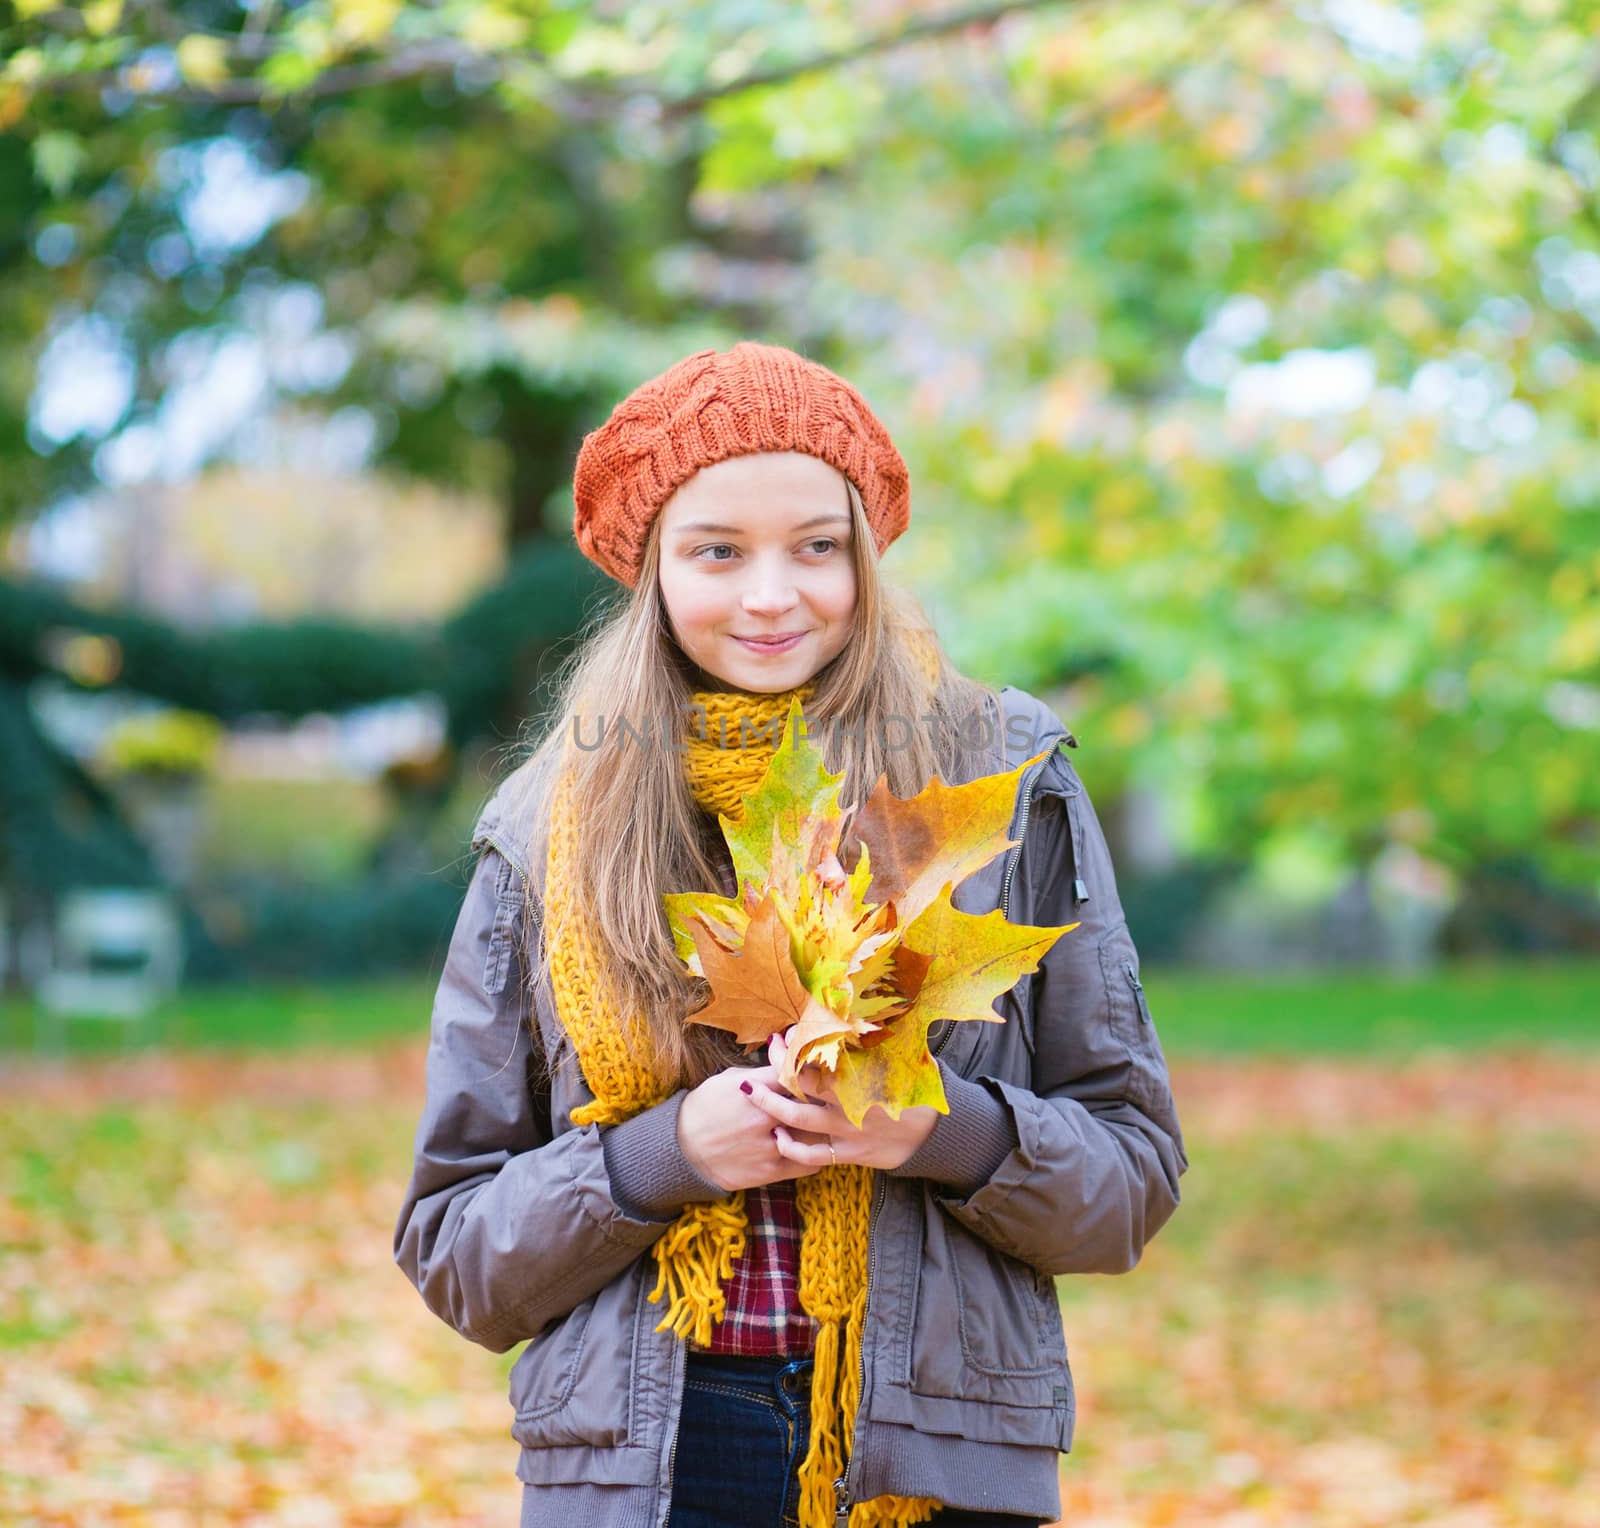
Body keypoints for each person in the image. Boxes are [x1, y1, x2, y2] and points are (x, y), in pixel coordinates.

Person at [393, 341, 1188, 1528]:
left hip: (930, 1463)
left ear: (865, 555)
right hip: (649, 1466)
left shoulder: (999, 782)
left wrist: (942, 1130)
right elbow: (456, 1249)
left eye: (818, 546)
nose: (773, 594)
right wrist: (662, 1157)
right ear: (649, 566)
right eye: (717, 550)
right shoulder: (548, 828)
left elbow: (1131, 1179)